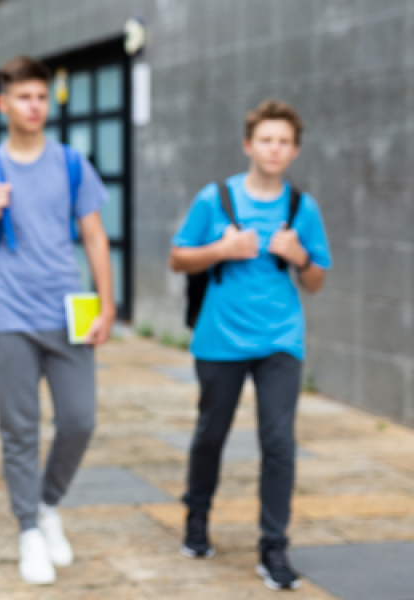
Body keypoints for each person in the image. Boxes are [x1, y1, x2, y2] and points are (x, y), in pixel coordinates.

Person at [0, 56, 115, 586]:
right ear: (4, 105)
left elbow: (93, 236)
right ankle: (28, 530)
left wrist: (107, 304)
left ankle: (47, 504)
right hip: (9, 314)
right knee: (19, 431)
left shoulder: (71, 163)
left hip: (69, 311)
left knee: (80, 419)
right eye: (24, 97)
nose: (34, 106)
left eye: (41, 97)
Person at [169, 99, 331, 591]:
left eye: (284, 141)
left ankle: (273, 546)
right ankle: (196, 517)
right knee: (211, 433)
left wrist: (300, 255)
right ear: (248, 145)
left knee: (279, 443)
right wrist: (223, 249)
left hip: (281, 339)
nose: (274, 148)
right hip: (219, 339)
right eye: (266, 139)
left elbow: (318, 280)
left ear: (295, 150)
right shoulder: (214, 199)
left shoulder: (302, 208)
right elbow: (178, 258)